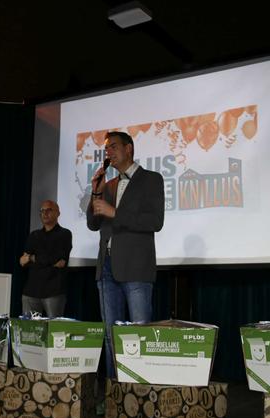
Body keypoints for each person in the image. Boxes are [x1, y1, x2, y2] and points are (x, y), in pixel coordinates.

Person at [87, 131, 164, 378]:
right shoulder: (109, 185)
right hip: (106, 268)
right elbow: (92, 224)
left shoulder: (151, 179)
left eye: (113, 146)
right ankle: (114, 391)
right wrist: (96, 192)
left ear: (128, 148)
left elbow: (155, 221)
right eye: (106, 149)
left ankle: (138, 392)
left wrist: (115, 213)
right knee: (111, 336)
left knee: (138, 335)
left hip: (136, 268)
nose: (108, 152)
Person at [19, 200, 72, 317]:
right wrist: (48, 260)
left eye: (49, 210)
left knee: (54, 328)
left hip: (53, 292)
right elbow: (23, 261)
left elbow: (60, 261)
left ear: (58, 213)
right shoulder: (34, 235)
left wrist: (32, 258)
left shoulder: (65, 234)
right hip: (31, 292)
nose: (45, 213)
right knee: (29, 328)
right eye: (42, 211)